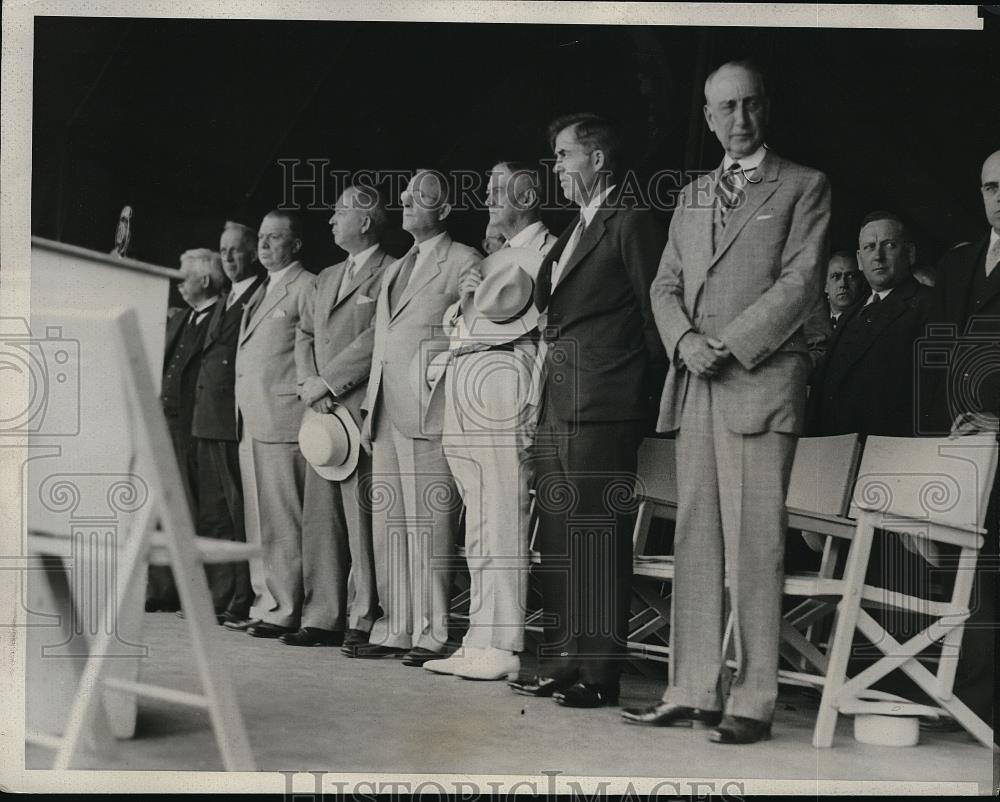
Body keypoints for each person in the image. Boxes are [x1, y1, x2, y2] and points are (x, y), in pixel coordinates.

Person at [626, 60, 830, 744]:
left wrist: (729, 344)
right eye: (725, 109)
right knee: (695, 540)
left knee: (755, 545)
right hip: (697, 386)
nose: (739, 120)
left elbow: (802, 285)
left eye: (749, 105)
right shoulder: (689, 196)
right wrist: (684, 340)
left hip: (757, 383)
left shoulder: (803, 185)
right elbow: (664, 286)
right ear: (709, 119)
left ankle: (754, 698)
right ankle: (691, 689)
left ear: (764, 107)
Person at [507, 114, 667, 708]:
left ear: (598, 160)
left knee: (597, 538)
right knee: (558, 539)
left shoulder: (632, 219)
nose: (557, 167)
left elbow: (655, 318)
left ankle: (599, 674)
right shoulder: (578, 225)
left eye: (565, 155)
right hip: (557, 401)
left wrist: (635, 399)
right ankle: (561, 662)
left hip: (604, 405)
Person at [426, 161, 556, 681]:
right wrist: (465, 297)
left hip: (506, 383)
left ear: (524, 197)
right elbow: (462, 323)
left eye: (497, 190)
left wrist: (534, 394)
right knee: (478, 517)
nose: (487, 198)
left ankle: (503, 644)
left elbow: (545, 328)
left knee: (501, 515)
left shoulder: (549, 249)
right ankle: (479, 636)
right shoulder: (495, 256)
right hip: (468, 378)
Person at [358, 169, 478, 666]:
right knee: (391, 522)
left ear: (445, 210)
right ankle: (395, 625)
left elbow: (472, 331)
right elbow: (381, 345)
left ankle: (432, 630)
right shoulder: (395, 267)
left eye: (419, 193)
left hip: (431, 409)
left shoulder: (465, 260)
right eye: (404, 192)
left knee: (429, 522)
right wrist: (368, 406)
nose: (405, 199)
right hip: (385, 406)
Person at [292, 185, 391, 649]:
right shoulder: (326, 276)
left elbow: (376, 337)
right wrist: (311, 385)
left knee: (360, 515)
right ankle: (322, 614)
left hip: (358, 410)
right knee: (320, 516)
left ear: (366, 221)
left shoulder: (390, 271)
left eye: (340, 213)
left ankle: (363, 616)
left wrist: (329, 383)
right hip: (321, 415)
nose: (331, 221)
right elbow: (304, 333)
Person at [924, 148, 1000, 730]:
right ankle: (967, 708)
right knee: (961, 577)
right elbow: (932, 359)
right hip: (955, 451)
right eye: (991, 187)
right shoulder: (957, 265)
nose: (999, 196)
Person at [235, 210, 315, 638]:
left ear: (295, 244)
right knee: (259, 517)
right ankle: (264, 600)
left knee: (283, 519)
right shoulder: (262, 290)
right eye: (261, 238)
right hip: (253, 417)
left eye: (274, 238)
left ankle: (286, 606)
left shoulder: (306, 286)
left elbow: (313, 349)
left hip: (283, 417)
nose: (263, 246)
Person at [191, 222, 265, 627]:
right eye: (223, 251)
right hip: (208, 419)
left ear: (252, 253)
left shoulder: (262, 293)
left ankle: (242, 595)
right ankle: (219, 595)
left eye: (236, 250)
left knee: (239, 516)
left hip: (232, 419)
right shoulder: (225, 299)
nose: (229, 258)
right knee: (215, 516)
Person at [806, 211, 932, 437]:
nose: (878, 256)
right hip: (833, 451)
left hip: (888, 452)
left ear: (910, 253)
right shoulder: (850, 313)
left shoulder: (930, 305)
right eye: (869, 247)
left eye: (889, 245)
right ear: (859, 260)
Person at [146, 248, 224, 613]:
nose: (178, 283)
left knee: (194, 510)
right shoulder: (181, 319)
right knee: (161, 506)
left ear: (204, 280)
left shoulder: (220, 317)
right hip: (167, 422)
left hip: (195, 427)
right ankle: (160, 590)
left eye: (184, 276)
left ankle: (192, 593)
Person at [824, 251, 865, 328]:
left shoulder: (868, 323)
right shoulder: (814, 326)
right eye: (836, 276)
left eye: (851, 276)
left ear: (862, 283)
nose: (843, 284)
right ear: (825, 286)